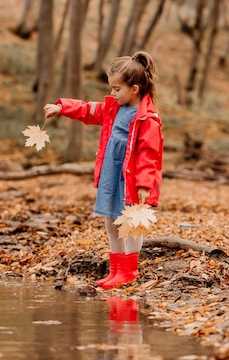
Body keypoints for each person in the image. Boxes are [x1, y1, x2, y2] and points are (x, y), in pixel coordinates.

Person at [44, 51, 163, 290]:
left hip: (130, 180)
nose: (112, 93)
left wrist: (143, 184)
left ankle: (130, 271)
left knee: (130, 224)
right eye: (111, 88)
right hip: (111, 175)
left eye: (117, 89)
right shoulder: (113, 109)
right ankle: (116, 269)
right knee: (111, 220)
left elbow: (150, 155)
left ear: (135, 89)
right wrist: (62, 108)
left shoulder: (147, 119)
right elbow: (88, 110)